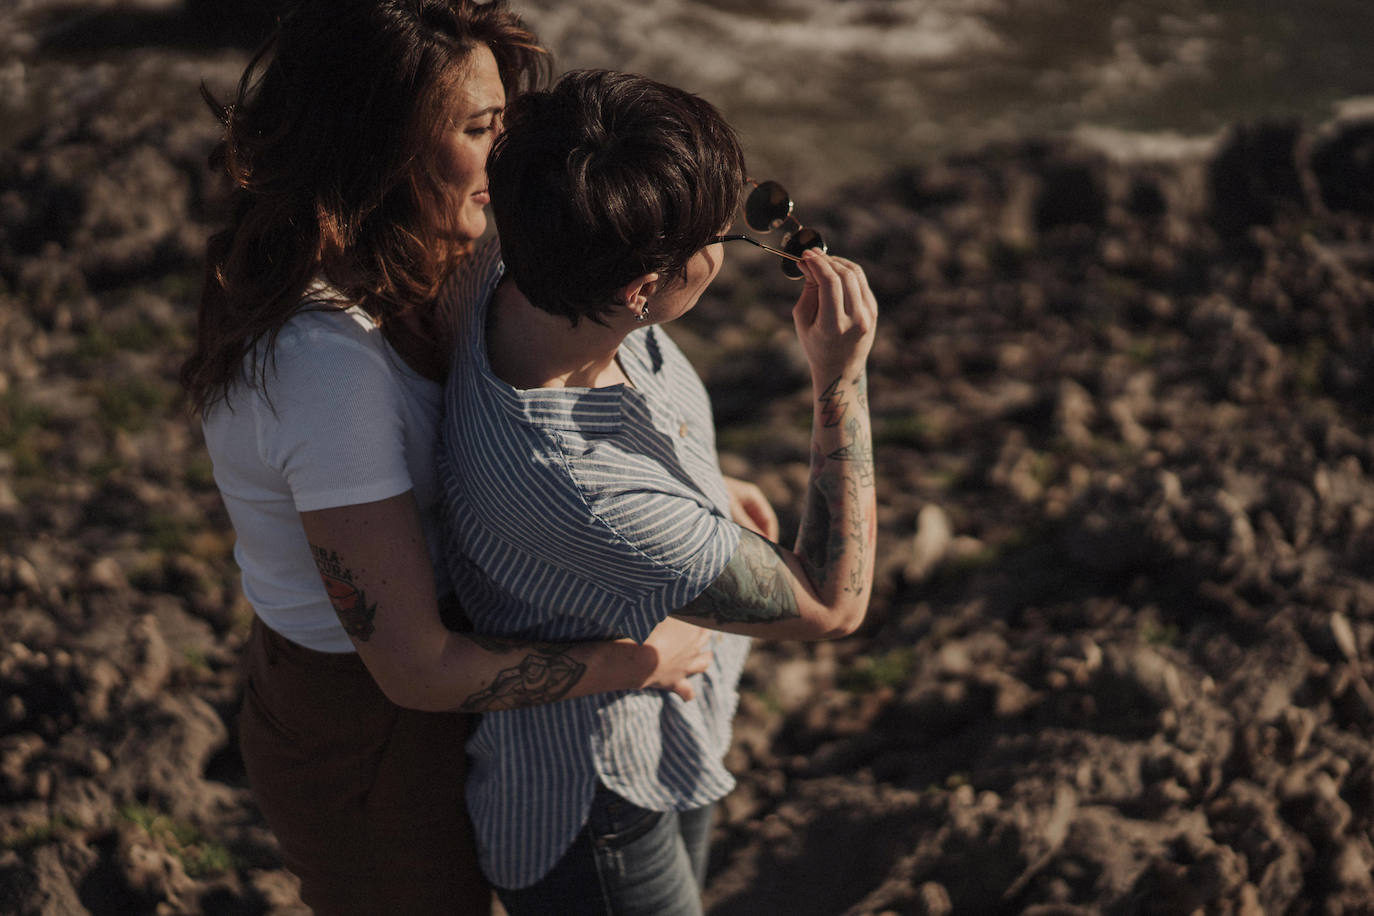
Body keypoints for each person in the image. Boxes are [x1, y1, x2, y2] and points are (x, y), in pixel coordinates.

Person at [178, 5, 718, 914]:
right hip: (368, 723)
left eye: (504, 120)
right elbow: (414, 667)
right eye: (479, 129)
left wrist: (696, 491)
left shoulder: (433, 249)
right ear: (379, 148)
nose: (507, 152)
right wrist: (639, 660)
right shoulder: (323, 367)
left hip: (460, 649)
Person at [437, 69, 879, 914]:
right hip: (597, 803)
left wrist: (708, 488)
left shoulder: (523, 253)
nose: (739, 241)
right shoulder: (584, 487)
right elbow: (832, 603)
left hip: (665, 735)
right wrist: (841, 379)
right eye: (727, 234)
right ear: (642, 291)